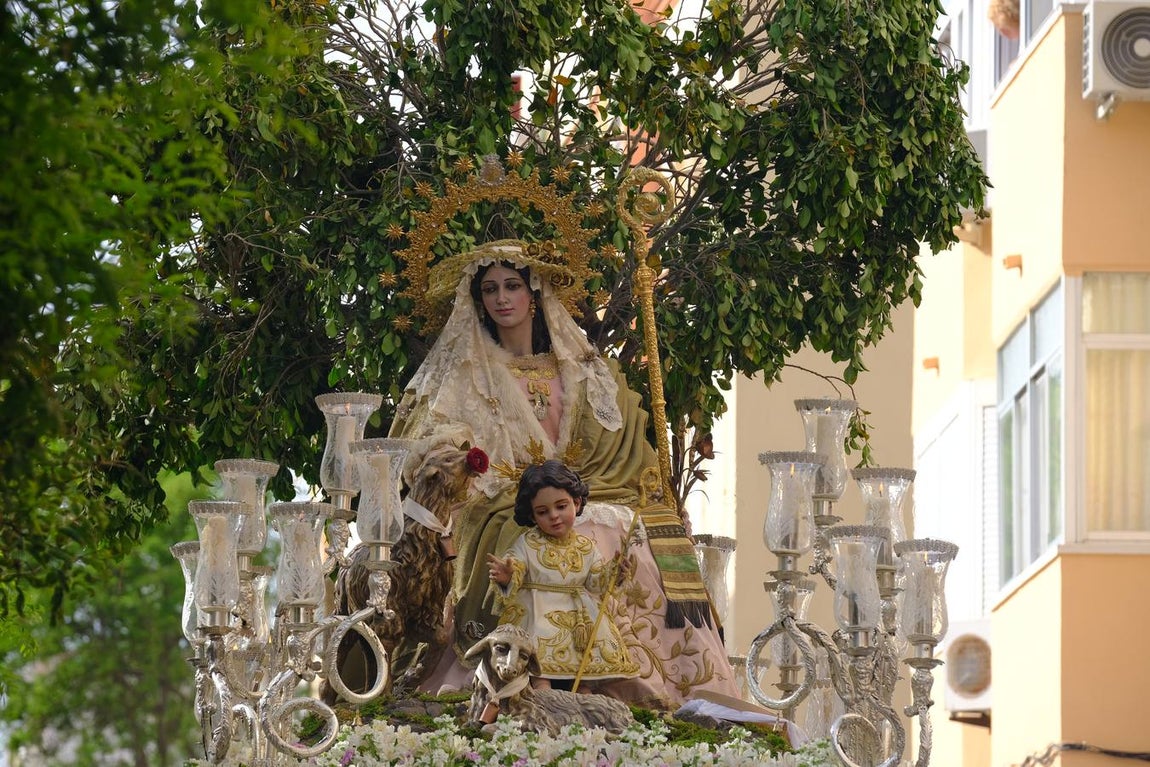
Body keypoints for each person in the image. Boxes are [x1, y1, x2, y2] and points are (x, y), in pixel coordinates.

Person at [390, 238, 738, 709]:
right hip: (504, 501)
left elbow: (618, 445)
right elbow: (431, 446)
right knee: (532, 536)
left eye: (512, 286)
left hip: (586, 491)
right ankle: (532, 681)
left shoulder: (580, 370)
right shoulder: (466, 375)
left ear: (534, 292)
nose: (502, 298)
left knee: (626, 534)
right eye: (490, 289)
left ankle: (657, 684)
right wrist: (462, 455)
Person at [486, 460, 639, 690]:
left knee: (584, 663)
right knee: (538, 655)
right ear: (532, 515)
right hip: (537, 613)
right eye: (543, 512)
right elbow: (516, 563)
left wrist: (613, 573)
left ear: (576, 503)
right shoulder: (527, 542)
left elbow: (595, 582)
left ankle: (582, 693)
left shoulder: (586, 546)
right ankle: (542, 688)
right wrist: (509, 575)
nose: (554, 516)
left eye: (561, 506)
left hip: (579, 618)